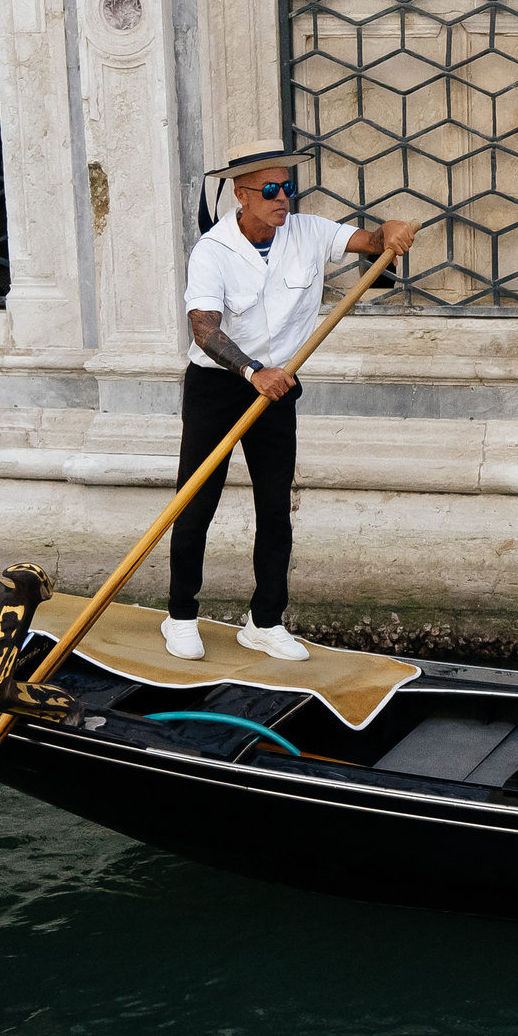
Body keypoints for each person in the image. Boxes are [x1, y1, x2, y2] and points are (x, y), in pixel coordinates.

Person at [161, 139, 418, 662]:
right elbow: (204, 329)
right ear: (242, 194)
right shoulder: (212, 251)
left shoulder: (308, 231)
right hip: (219, 385)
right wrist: (254, 372)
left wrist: (389, 231)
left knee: (275, 508)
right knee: (197, 503)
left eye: (288, 188)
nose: (284, 199)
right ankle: (181, 614)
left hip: (281, 385)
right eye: (272, 190)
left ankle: (264, 621)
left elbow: (369, 241)